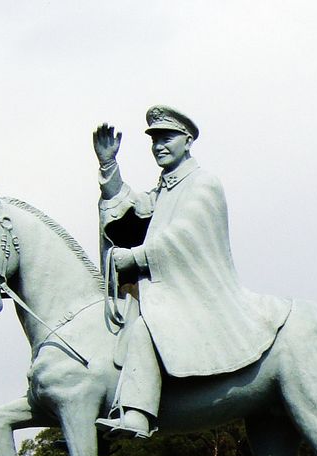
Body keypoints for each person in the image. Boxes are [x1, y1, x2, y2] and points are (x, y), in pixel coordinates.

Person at [93, 105, 289, 438]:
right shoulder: (165, 189)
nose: (159, 146)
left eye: (166, 138)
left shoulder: (203, 183)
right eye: (154, 140)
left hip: (200, 293)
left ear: (187, 140)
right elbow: (133, 208)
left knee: (145, 328)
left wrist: (136, 257)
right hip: (171, 290)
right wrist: (109, 166)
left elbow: (185, 235)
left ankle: (138, 415)